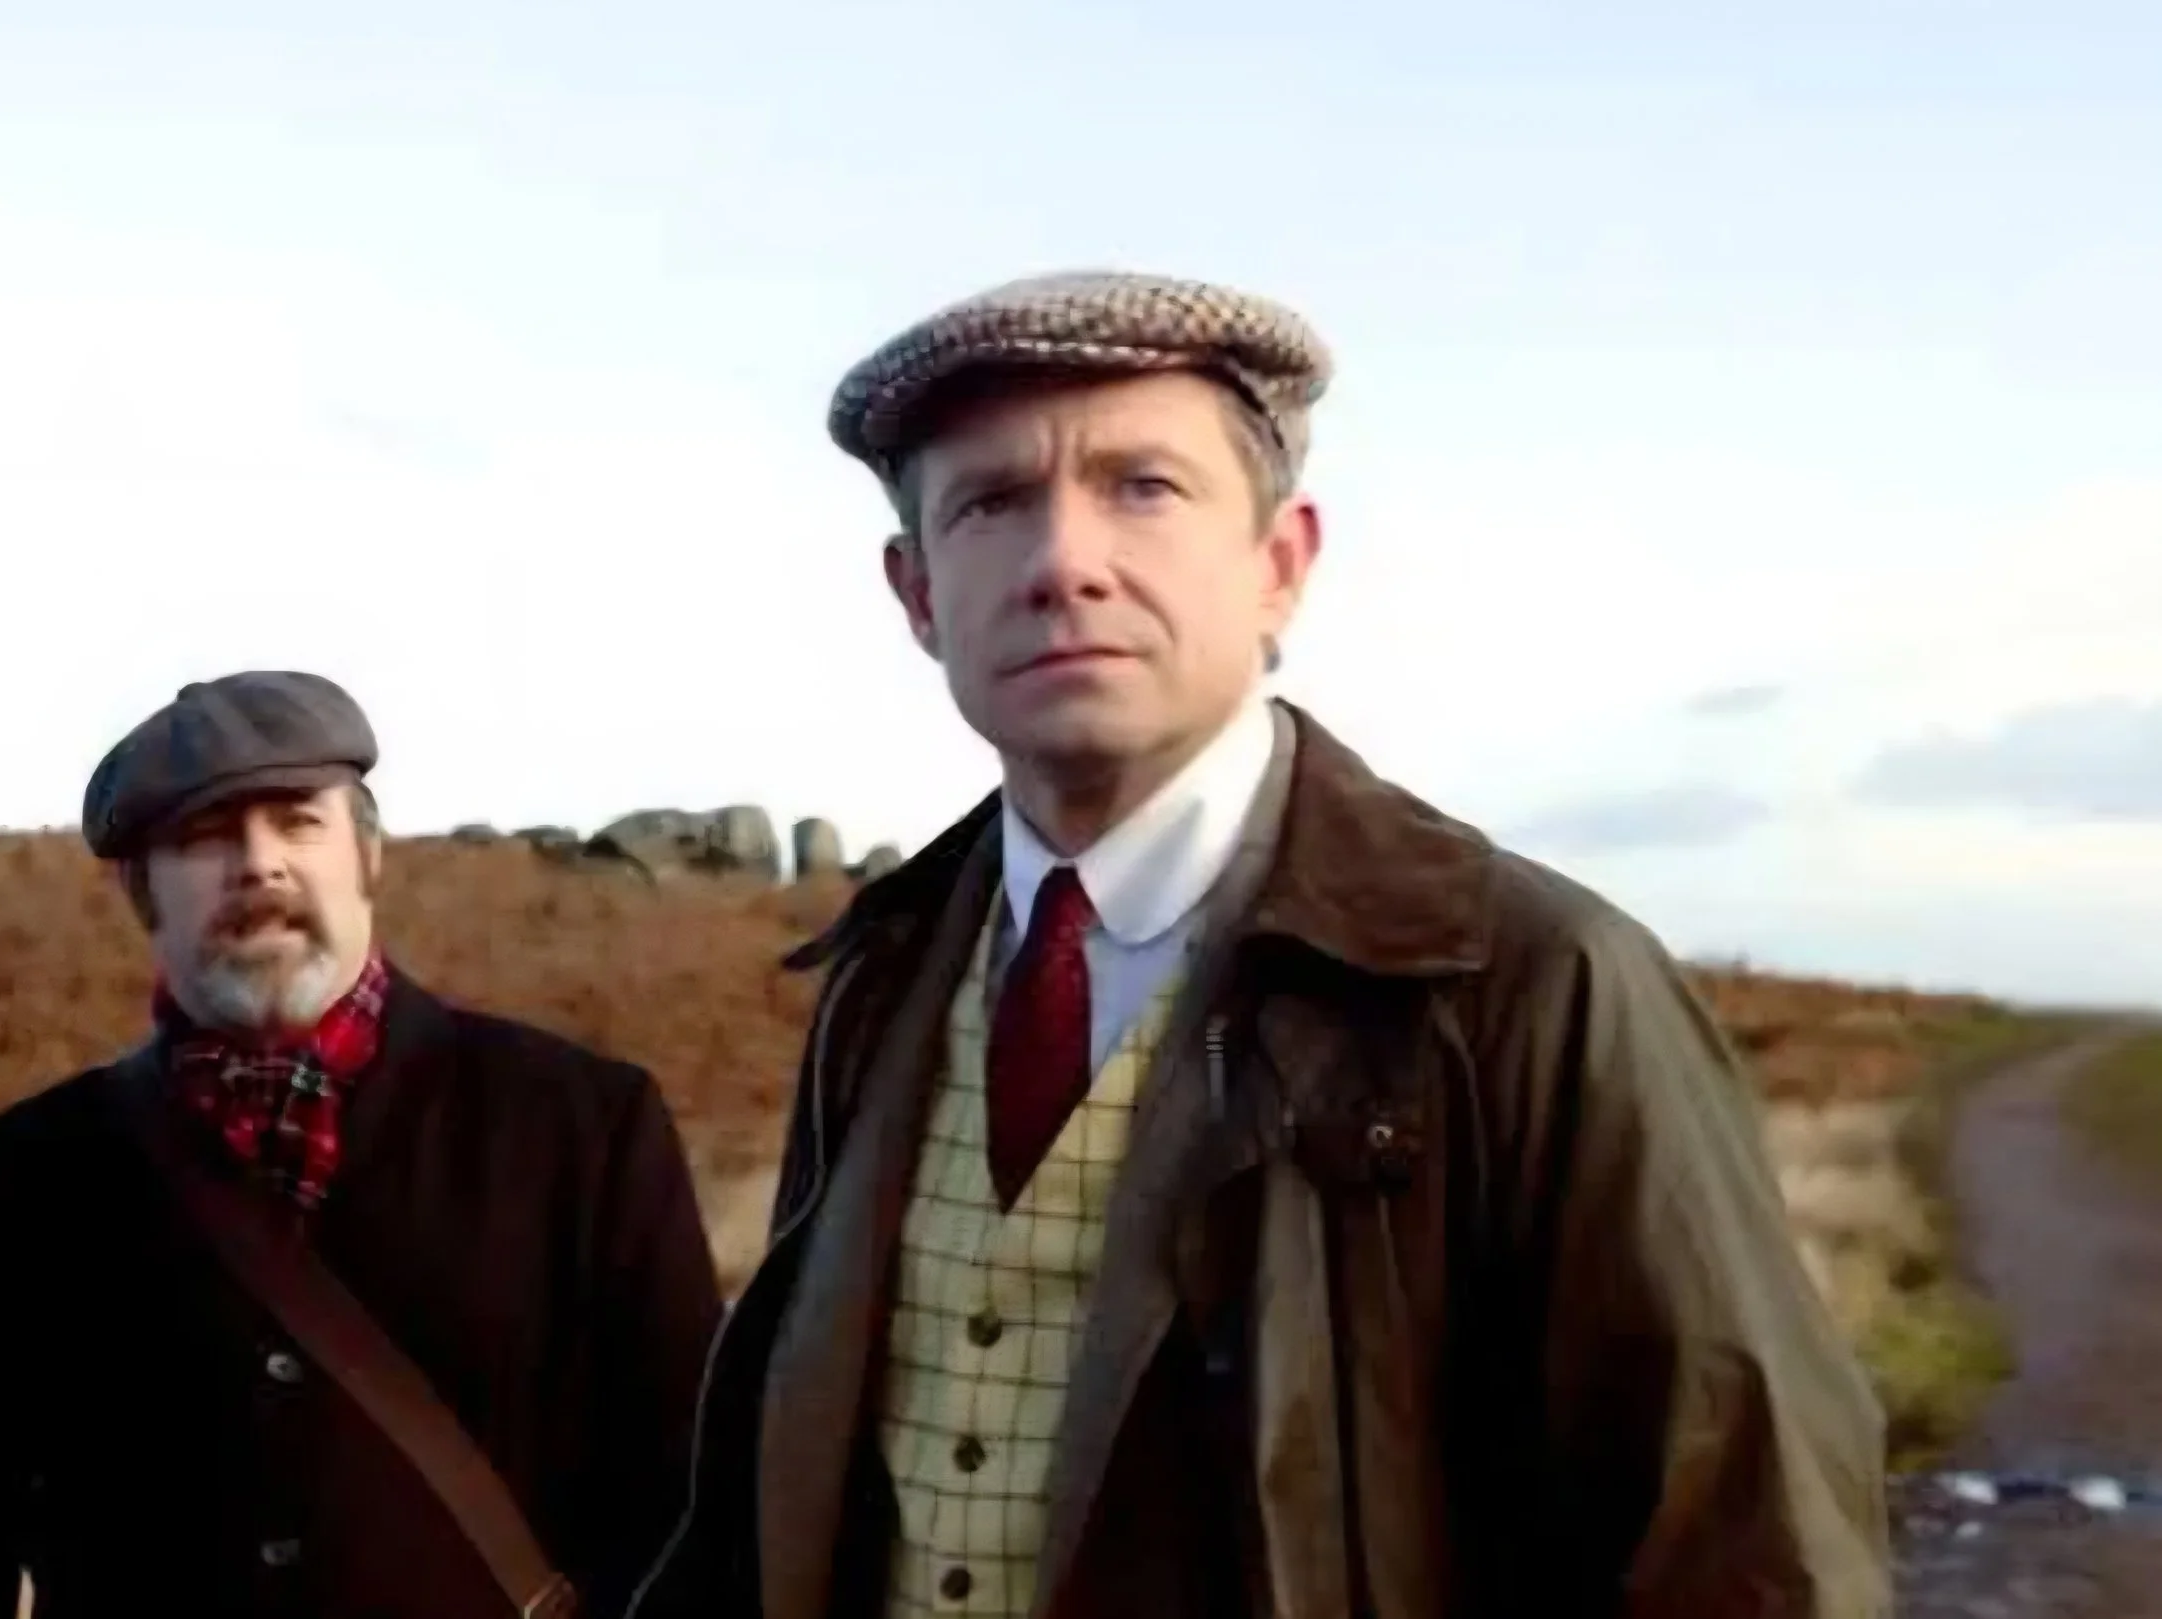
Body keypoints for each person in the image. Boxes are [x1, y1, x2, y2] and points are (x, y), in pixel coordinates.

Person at [631, 272, 1892, 1619]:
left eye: (1142, 487)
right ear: (919, 592)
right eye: (992, 501)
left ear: (1280, 563)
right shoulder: (882, 980)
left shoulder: (1527, 981)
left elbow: (1747, 1550)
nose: (1065, 559)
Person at [0, 669, 724, 1619]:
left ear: (367, 857)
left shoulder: (581, 1125)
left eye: (298, 821)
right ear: (143, 892)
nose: (258, 864)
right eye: (206, 835)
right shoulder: (16, 1183)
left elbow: (690, 1520)